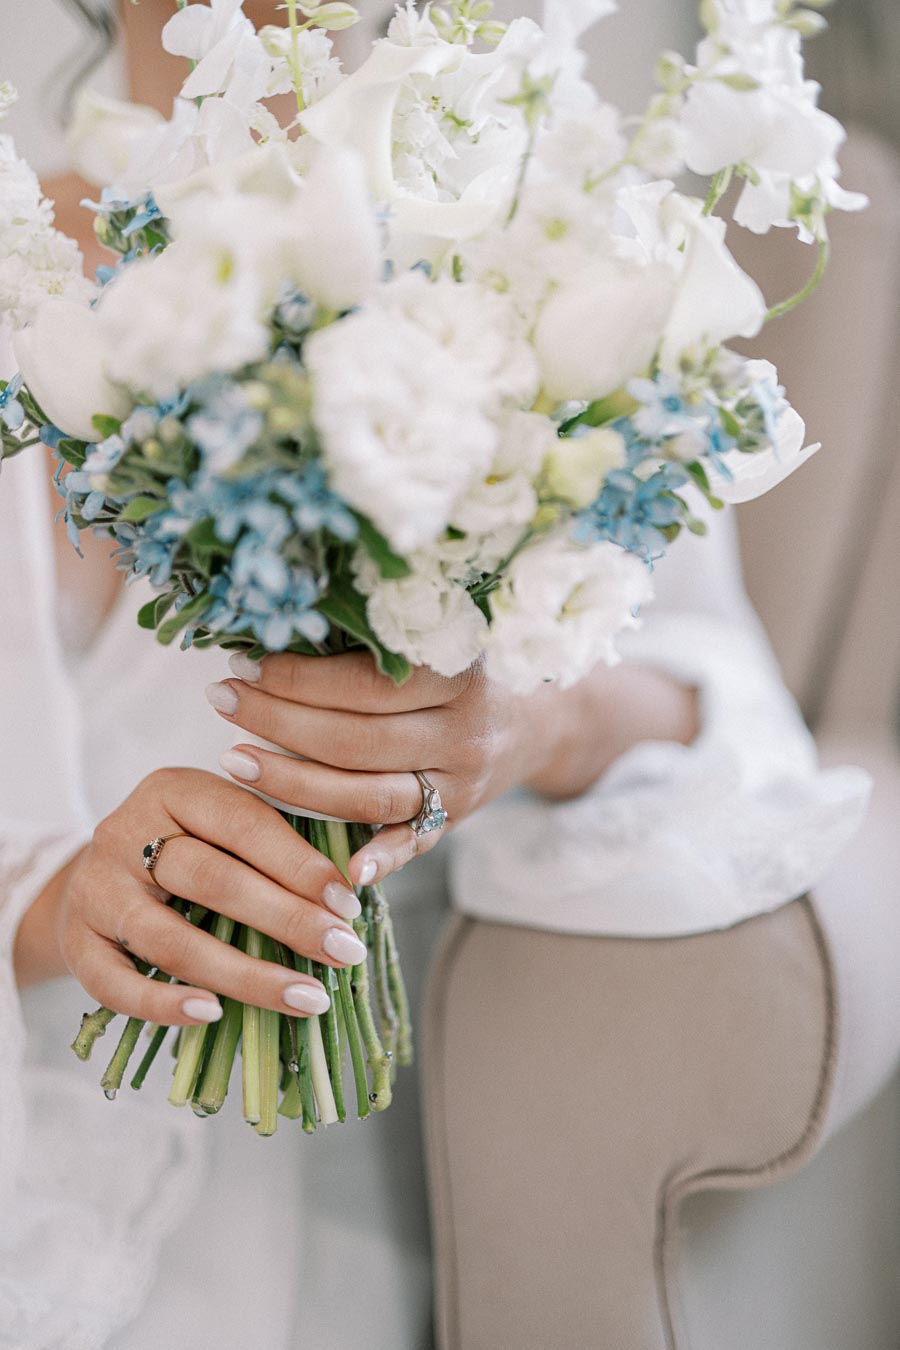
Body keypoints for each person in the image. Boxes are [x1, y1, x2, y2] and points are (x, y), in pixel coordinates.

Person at [0, 2, 871, 1347]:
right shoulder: (21, 269)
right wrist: (58, 905)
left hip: (327, 1180)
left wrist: (532, 717)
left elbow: (729, 709)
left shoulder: (537, 255)